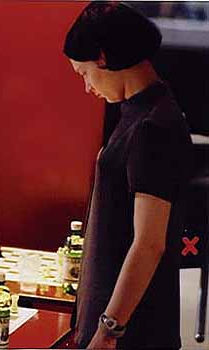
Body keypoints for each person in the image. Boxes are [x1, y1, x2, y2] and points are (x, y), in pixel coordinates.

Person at [63, 2, 192, 349]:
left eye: (84, 74)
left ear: (103, 57)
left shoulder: (154, 125)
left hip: (134, 332)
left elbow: (149, 243)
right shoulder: (137, 111)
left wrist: (109, 330)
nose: (88, 87)